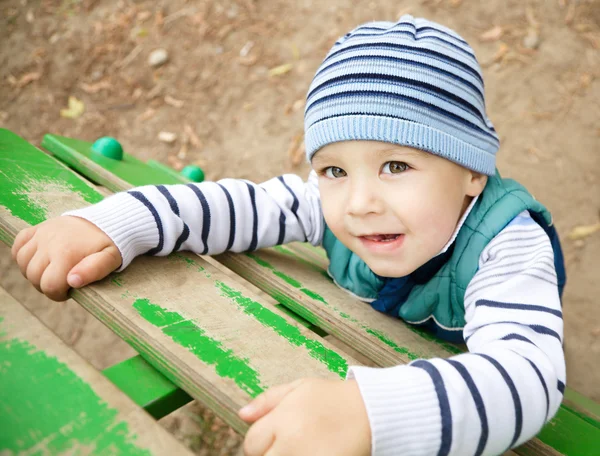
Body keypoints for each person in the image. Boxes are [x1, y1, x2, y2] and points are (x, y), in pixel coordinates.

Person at [12, 15, 566, 456]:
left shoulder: (509, 248)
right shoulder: (332, 203)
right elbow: (239, 204)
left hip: (469, 351)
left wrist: (373, 415)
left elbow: (528, 377)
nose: (359, 202)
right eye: (334, 169)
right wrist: (115, 222)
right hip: (380, 340)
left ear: (473, 171)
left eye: (396, 165)